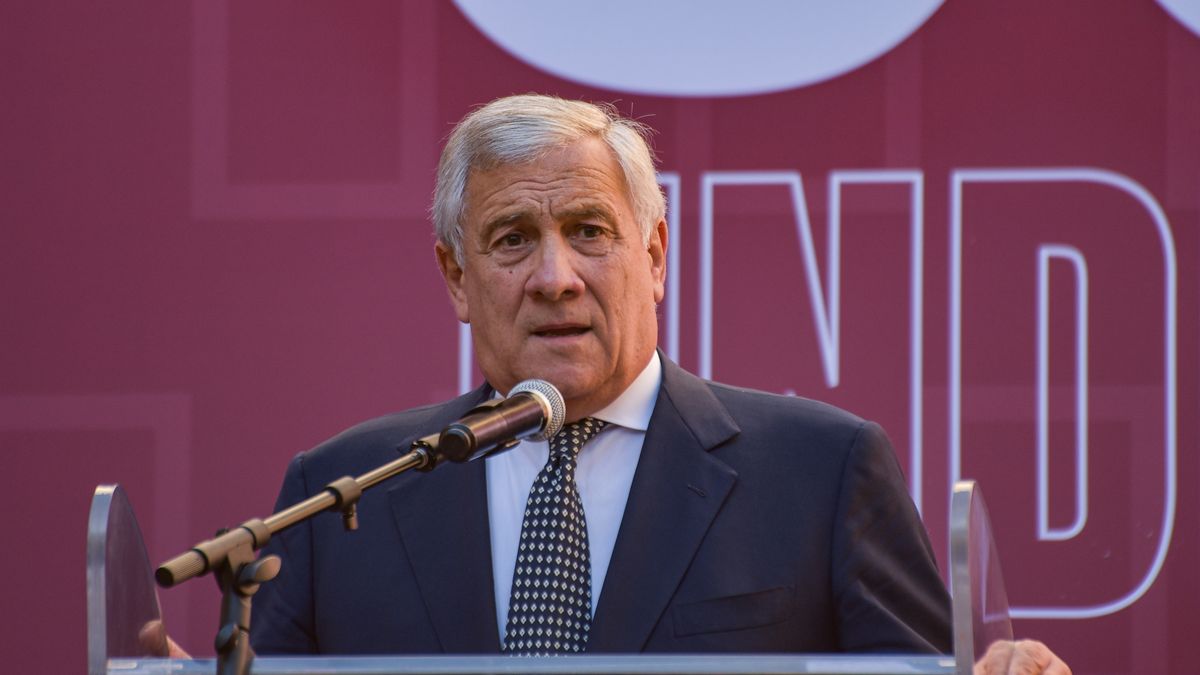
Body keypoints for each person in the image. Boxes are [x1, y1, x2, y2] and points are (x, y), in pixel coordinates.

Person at [150, 94, 1069, 672]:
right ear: (455, 278)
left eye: (590, 230)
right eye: (513, 240)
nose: (556, 275)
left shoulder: (822, 473)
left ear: (656, 254)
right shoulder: (339, 492)